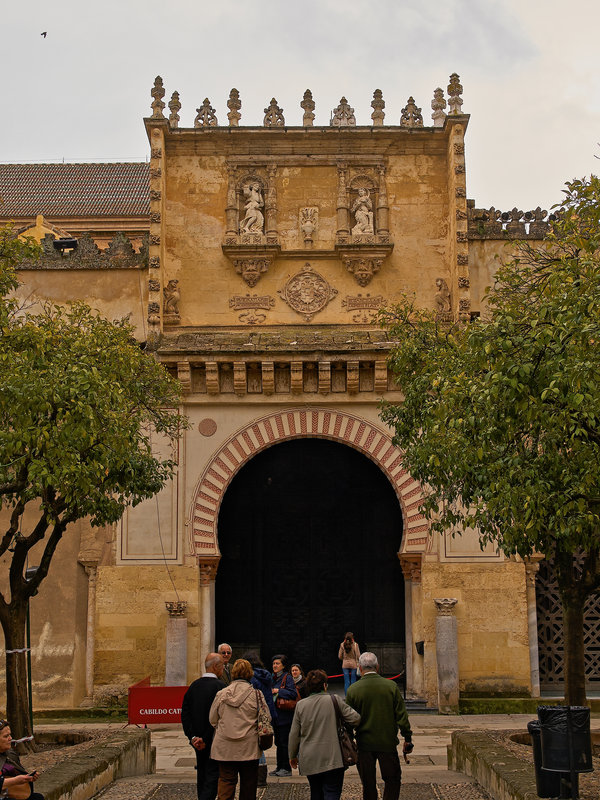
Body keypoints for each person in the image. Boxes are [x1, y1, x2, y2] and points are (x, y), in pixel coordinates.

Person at [346, 652, 413, 800]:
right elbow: (402, 715)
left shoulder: (353, 690)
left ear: (359, 668)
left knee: (368, 783)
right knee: (392, 780)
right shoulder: (391, 686)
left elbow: (348, 720)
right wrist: (407, 737)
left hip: (364, 744)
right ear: (377, 667)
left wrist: (350, 740)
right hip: (387, 743)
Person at [289, 669, 360, 800]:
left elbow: (294, 734)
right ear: (325, 685)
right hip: (333, 757)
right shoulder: (335, 700)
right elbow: (355, 718)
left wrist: (292, 755)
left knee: (315, 792)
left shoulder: (301, 705)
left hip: (310, 758)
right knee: (332, 792)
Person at [209, 658, 269, 800]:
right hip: (249, 747)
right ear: (250, 674)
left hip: (225, 747)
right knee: (249, 784)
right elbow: (267, 718)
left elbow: (212, 719)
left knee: (226, 781)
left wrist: (226, 728)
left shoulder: (222, 694)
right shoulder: (257, 695)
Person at [181, 652, 226, 800]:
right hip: (214, 740)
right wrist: (205, 738)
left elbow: (185, 714)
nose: (223, 669)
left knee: (201, 773)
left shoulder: (194, 686)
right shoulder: (221, 687)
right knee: (213, 775)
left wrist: (193, 737)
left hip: (197, 741)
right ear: (216, 666)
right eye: (222, 666)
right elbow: (220, 718)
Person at [243, 651, 276, 787]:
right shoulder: (265, 675)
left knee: (254, 744)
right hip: (266, 712)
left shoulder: (252, 678)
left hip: (253, 713)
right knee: (259, 743)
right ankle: (261, 775)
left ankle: (259, 776)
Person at [270, 654, 298, 777]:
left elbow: (292, 694)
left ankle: (286, 767)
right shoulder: (272, 678)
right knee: (278, 743)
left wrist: (278, 691)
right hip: (276, 717)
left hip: (285, 717)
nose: (275, 666)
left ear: (283, 666)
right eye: (274, 663)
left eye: (277, 663)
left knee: (284, 743)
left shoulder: (288, 678)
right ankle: (279, 766)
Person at [0, 720, 44, 800]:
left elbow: (18, 774)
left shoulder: (10, 754)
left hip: (11, 793)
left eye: (10, 735)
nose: (10, 738)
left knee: (37, 798)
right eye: (6, 736)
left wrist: (28, 778)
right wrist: (15, 780)